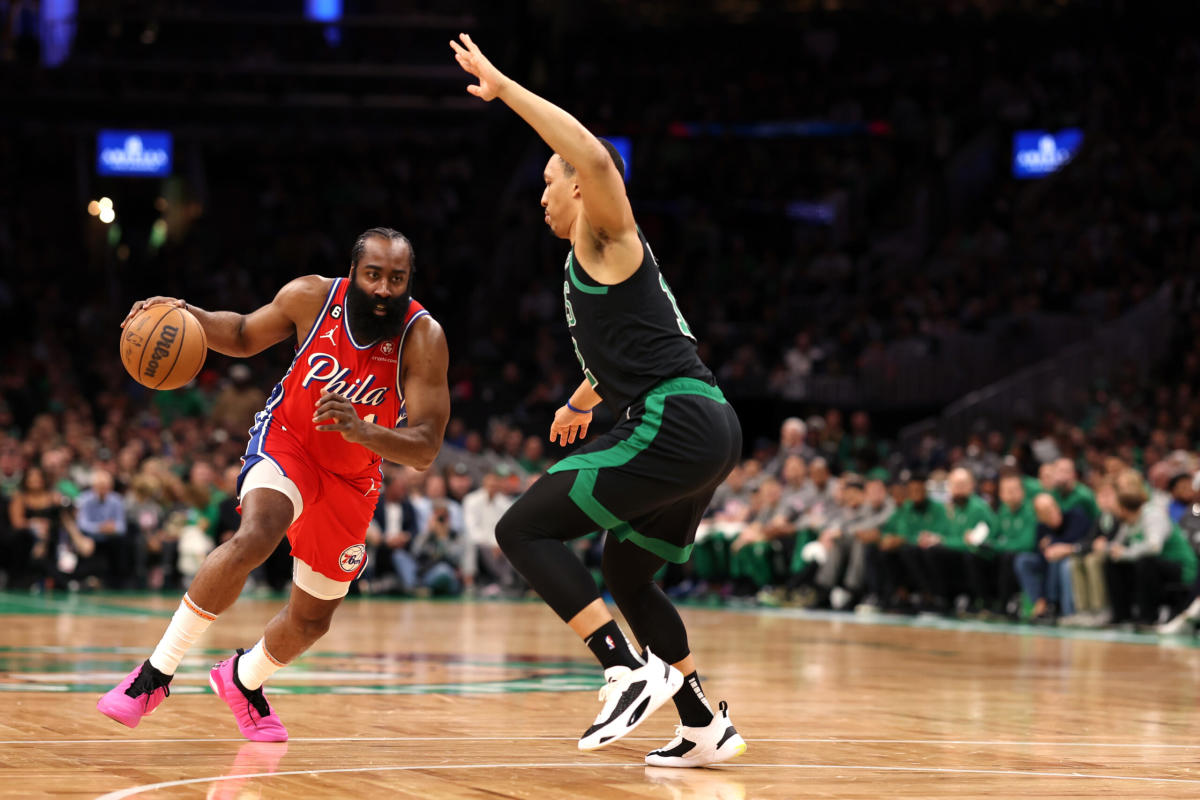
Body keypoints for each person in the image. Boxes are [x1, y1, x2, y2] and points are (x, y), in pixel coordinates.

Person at [451, 34, 745, 766]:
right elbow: (652, 343)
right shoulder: (599, 264)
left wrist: (504, 87)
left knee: (522, 529)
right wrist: (584, 396)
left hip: (675, 421)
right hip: (708, 424)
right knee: (625, 572)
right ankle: (702, 720)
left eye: (549, 184)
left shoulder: (606, 230)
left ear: (577, 186)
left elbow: (593, 153)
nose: (542, 198)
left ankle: (621, 667)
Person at [98, 227, 450, 742]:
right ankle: (155, 674)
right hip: (289, 440)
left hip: (353, 475)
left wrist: (362, 430)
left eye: (396, 278)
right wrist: (185, 315)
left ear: (408, 281)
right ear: (354, 274)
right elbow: (241, 333)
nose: (383, 288)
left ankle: (243, 679)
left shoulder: (423, 338)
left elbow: (425, 446)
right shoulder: (311, 296)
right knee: (258, 533)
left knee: (310, 622)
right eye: (373, 274)